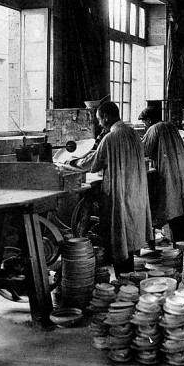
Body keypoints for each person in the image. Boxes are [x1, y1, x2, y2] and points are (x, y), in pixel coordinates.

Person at [71, 101, 152, 275]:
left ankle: (122, 280)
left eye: (100, 119)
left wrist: (74, 162)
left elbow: (94, 163)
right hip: (135, 191)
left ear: (106, 117)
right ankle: (128, 278)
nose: (100, 124)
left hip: (120, 192)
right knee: (129, 235)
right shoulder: (133, 133)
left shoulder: (111, 137)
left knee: (119, 237)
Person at [139, 106, 184, 240]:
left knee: (173, 209)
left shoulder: (154, 129)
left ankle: (178, 246)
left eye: (144, 122)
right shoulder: (170, 126)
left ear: (149, 120)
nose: (144, 125)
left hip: (171, 173)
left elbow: (143, 151)